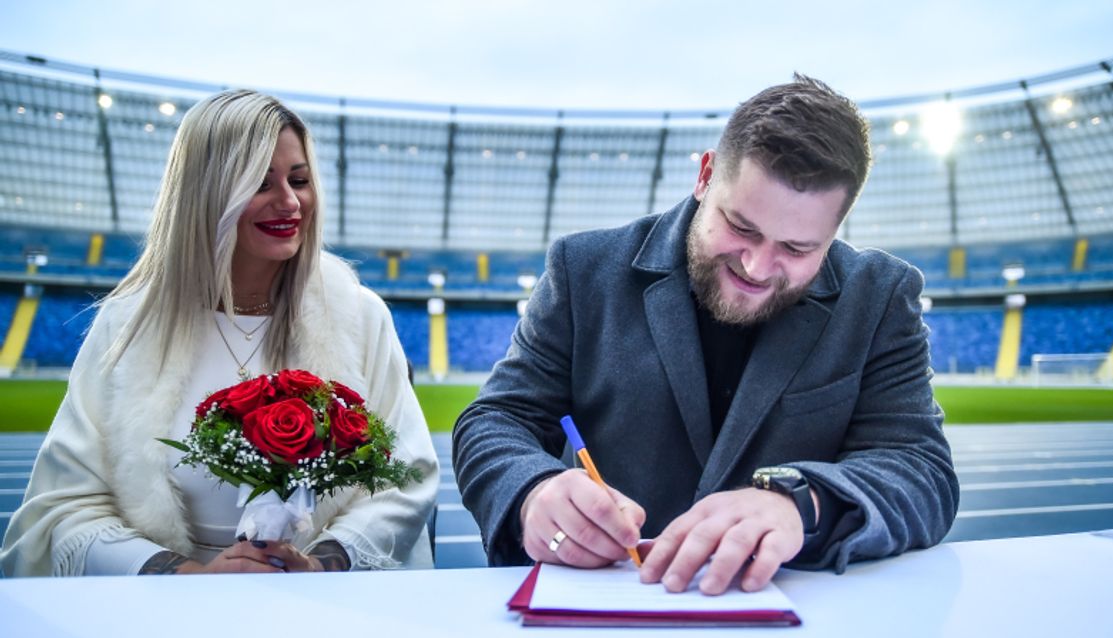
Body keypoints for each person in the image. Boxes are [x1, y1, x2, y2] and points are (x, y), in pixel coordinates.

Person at [452, 75, 959, 595]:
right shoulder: (583, 270)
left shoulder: (879, 297)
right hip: (603, 606)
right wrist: (533, 494)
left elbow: (919, 469)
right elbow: (496, 419)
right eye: (741, 227)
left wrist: (798, 503)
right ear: (706, 174)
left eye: (798, 248)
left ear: (837, 228)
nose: (759, 267)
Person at [0, 90, 439, 577]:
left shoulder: (360, 315)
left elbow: (406, 478)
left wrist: (322, 563)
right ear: (205, 193)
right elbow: (67, 505)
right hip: (164, 611)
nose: (290, 202)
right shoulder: (127, 323)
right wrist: (185, 575)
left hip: (324, 599)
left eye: (299, 180)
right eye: (259, 183)